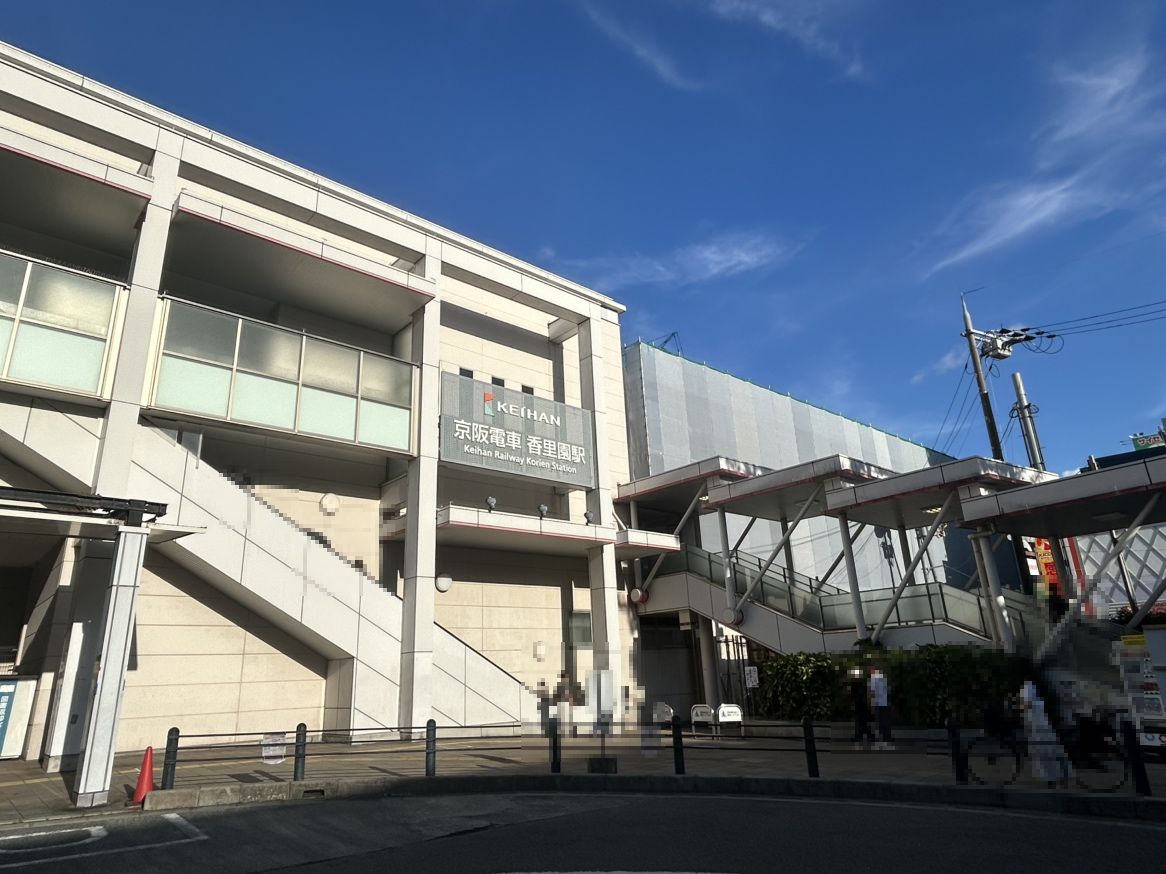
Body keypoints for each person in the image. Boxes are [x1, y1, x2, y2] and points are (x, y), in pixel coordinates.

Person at [1019, 677, 1072, 788]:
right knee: (1050, 749)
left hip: (1036, 725)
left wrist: (1019, 707)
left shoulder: (1027, 686)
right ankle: (1060, 777)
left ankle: (1053, 778)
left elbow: (1028, 704)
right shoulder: (1031, 687)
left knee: (1043, 751)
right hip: (1041, 724)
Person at [868, 666, 894, 750]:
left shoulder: (874, 679)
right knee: (885, 723)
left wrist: (872, 705)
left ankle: (881, 742)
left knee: (879, 723)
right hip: (885, 703)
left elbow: (873, 693)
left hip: (879, 704)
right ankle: (886, 741)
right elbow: (887, 690)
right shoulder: (883, 678)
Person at [849, 666, 875, 749]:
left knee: (862, 721)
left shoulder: (859, 685)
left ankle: (864, 735)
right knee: (862, 721)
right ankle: (865, 735)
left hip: (862, 705)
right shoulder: (857, 685)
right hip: (861, 705)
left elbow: (861, 696)